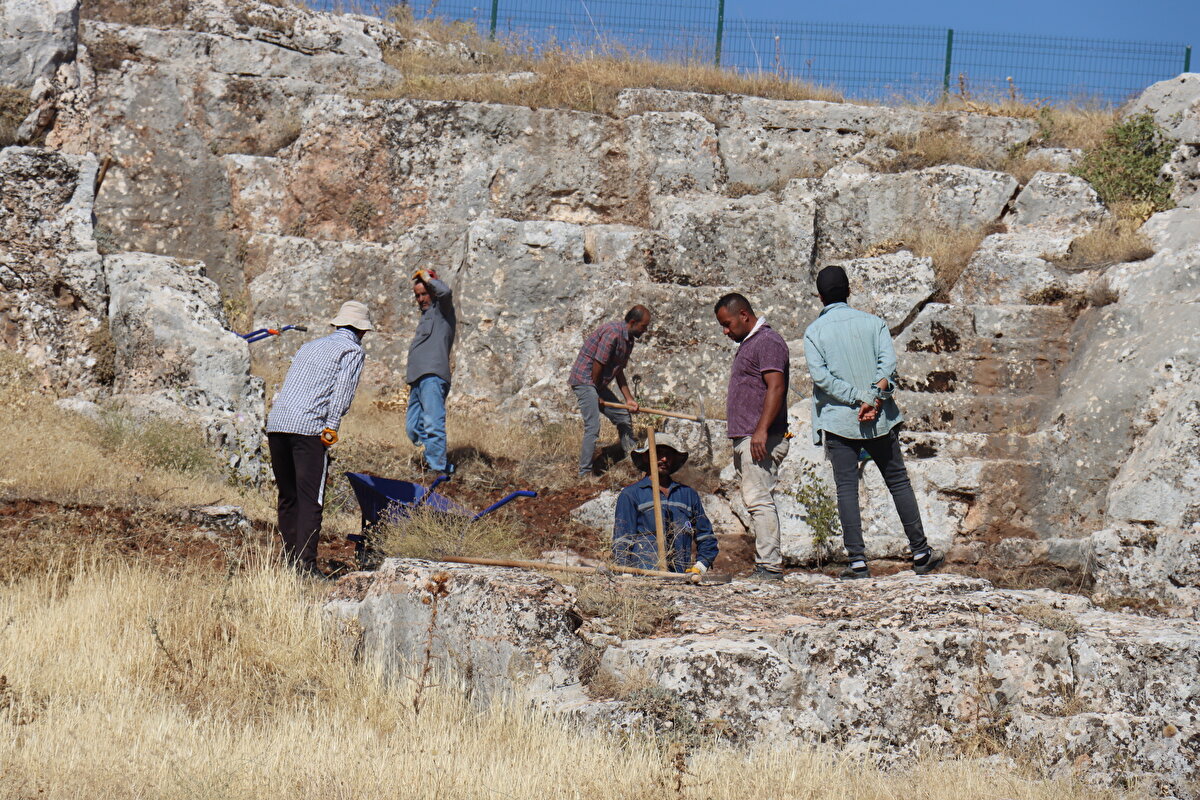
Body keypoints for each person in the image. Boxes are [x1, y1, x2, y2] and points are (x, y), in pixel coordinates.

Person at [803, 265, 943, 580]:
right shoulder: (873, 322)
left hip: (840, 420)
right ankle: (920, 552)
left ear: (820, 296)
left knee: (847, 490)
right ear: (849, 290)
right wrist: (872, 399)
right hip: (880, 417)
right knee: (898, 482)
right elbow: (888, 364)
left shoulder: (815, 332)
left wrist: (857, 398)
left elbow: (822, 377)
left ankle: (857, 563)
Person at [266, 300, 371, 578]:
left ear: (337, 324)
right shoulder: (352, 350)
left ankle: (290, 562)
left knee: (288, 497)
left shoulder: (309, 346)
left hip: (277, 424)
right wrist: (331, 429)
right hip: (309, 428)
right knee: (312, 499)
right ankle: (306, 567)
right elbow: (341, 394)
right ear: (362, 331)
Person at [713, 293, 790, 581]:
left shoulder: (767, 342)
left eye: (728, 324)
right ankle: (766, 563)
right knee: (756, 498)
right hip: (749, 436)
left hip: (760, 437)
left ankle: (769, 565)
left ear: (744, 315)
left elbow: (776, 387)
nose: (725, 331)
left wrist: (760, 431)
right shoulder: (752, 344)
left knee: (759, 499)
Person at [613, 434, 718, 574]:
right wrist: (625, 573)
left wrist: (700, 566)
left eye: (668, 455)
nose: (664, 459)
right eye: (658, 454)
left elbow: (706, 537)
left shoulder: (687, 495)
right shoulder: (631, 494)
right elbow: (622, 540)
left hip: (680, 578)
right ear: (646, 457)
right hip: (645, 578)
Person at [568, 306, 651, 477]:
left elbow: (619, 370)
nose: (645, 330)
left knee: (622, 416)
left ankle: (632, 459)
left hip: (596, 383)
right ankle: (584, 474)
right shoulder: (612, 334)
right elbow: (598, 364)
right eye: (644, 326)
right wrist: (596, 393)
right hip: (585, 381)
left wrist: (629, 399)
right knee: (593, 427)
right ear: (633, 322)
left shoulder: (629, 341)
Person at [406, 268, 456, 475]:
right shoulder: (425, 317)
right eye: (417, 295)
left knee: (432, 422)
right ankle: (440, 462)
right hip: (417, 379)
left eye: (424, 293)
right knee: (413, 428)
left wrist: (427, 278)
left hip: (433, 377)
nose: (420, 299)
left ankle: (437, 469)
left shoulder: (442, 312)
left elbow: (445, 293)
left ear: (432, 292)